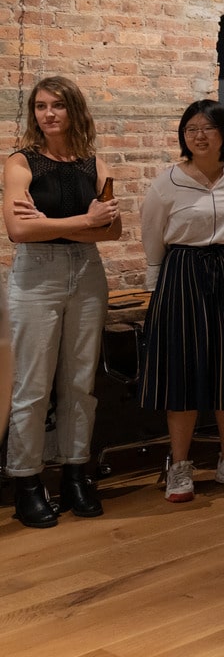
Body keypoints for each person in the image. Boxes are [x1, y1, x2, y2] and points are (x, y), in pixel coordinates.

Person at [141, 100, 224, 502]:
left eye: (208, 128)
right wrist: (156, 291)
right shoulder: (166, 183)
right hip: (181, 276)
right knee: (183, 372)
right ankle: (179, 464)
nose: (199, 136)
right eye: (191, 129)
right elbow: (153, 237)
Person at [3, 76, 121, 527]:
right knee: (32, 387)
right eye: (40, 106)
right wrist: (85, 221)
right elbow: (19, 231)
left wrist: (51, 224)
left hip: (87, 273)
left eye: (57, 105)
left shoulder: (94, 162)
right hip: (36, 276)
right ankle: (27, 483)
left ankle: (76, 475)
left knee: (80, 384)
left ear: (75, 110)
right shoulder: (21, 162)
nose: (48, 114)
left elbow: (113, 230)